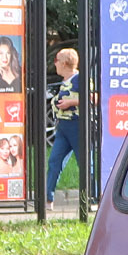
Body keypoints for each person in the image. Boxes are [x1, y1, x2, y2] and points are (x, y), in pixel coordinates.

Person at [45, 48, 81, 206]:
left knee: (85, 162)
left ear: (65, 63)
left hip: (77, 126)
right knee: (54, 160)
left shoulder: (80, 79)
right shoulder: (64, 81)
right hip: (63, 127)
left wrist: (70, 103)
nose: (55, 64)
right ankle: (47, 198)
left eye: (57, 60)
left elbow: (93, 96)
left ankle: (93, 197)